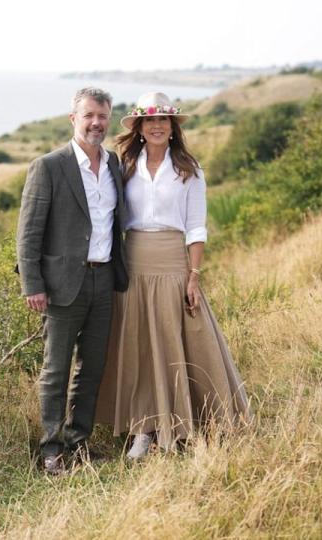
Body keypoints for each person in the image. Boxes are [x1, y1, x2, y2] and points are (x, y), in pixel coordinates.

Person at [94, 92, 250, 459]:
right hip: (132, 261)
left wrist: (193, 275)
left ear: (173, 128)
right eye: (151, 121)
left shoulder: (189, 170)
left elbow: (196, 227)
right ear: (140, 129)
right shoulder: (125, 165)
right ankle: (143, 430)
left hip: (172, 262)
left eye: (164, 120)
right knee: (139, 346)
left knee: (178, 341)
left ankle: (186, 424)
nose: (158, 126)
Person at [16, 87, 129, 475]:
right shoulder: (49, 166)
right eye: (89, 116)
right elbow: (28, 233)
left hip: (104, 280)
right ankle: (51, 450)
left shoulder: (114, 164)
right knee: (56, 369)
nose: (96, 122)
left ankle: (79, 443)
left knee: (92, 367)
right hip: (63, 283)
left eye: (103, 116)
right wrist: (33, 284)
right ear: (74, 119)